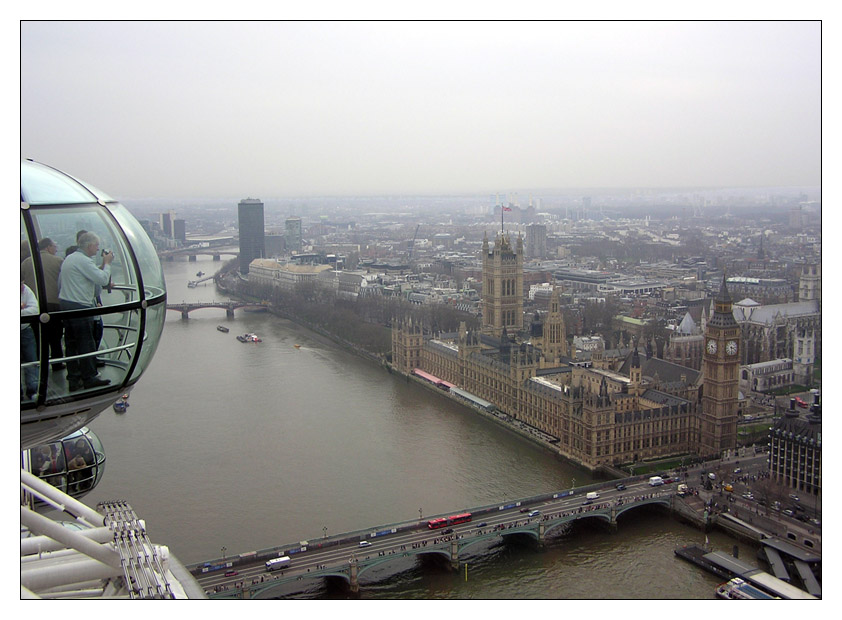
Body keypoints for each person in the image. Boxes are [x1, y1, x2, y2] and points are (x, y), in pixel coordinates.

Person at [58, 232, 113, 390]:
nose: (97, 249)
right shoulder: (83, 260)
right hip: (80, 307)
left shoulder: (71, 258)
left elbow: (89, 276)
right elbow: (102, 279)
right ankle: (89, 377)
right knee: (86, 343)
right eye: (96, 246)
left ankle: (74, 379)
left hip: (66, 305)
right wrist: (107, 263)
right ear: (89, 246)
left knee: (72, 345)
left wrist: (100, 267)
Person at [21, 237, 65, 369]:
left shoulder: (27, 262)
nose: (56, 249)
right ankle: (57, 363)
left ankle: (40, 365)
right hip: (53, 304)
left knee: (38, 337)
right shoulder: (58, 261)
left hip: (34, 305)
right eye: (54, 246)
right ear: (48, 247)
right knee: (55, 336)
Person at [21, 281, 39, 399]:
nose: (22, 286)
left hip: (25, 330)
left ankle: (33, 390)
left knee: (31, 361)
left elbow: (35, 310)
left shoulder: (25, 290)